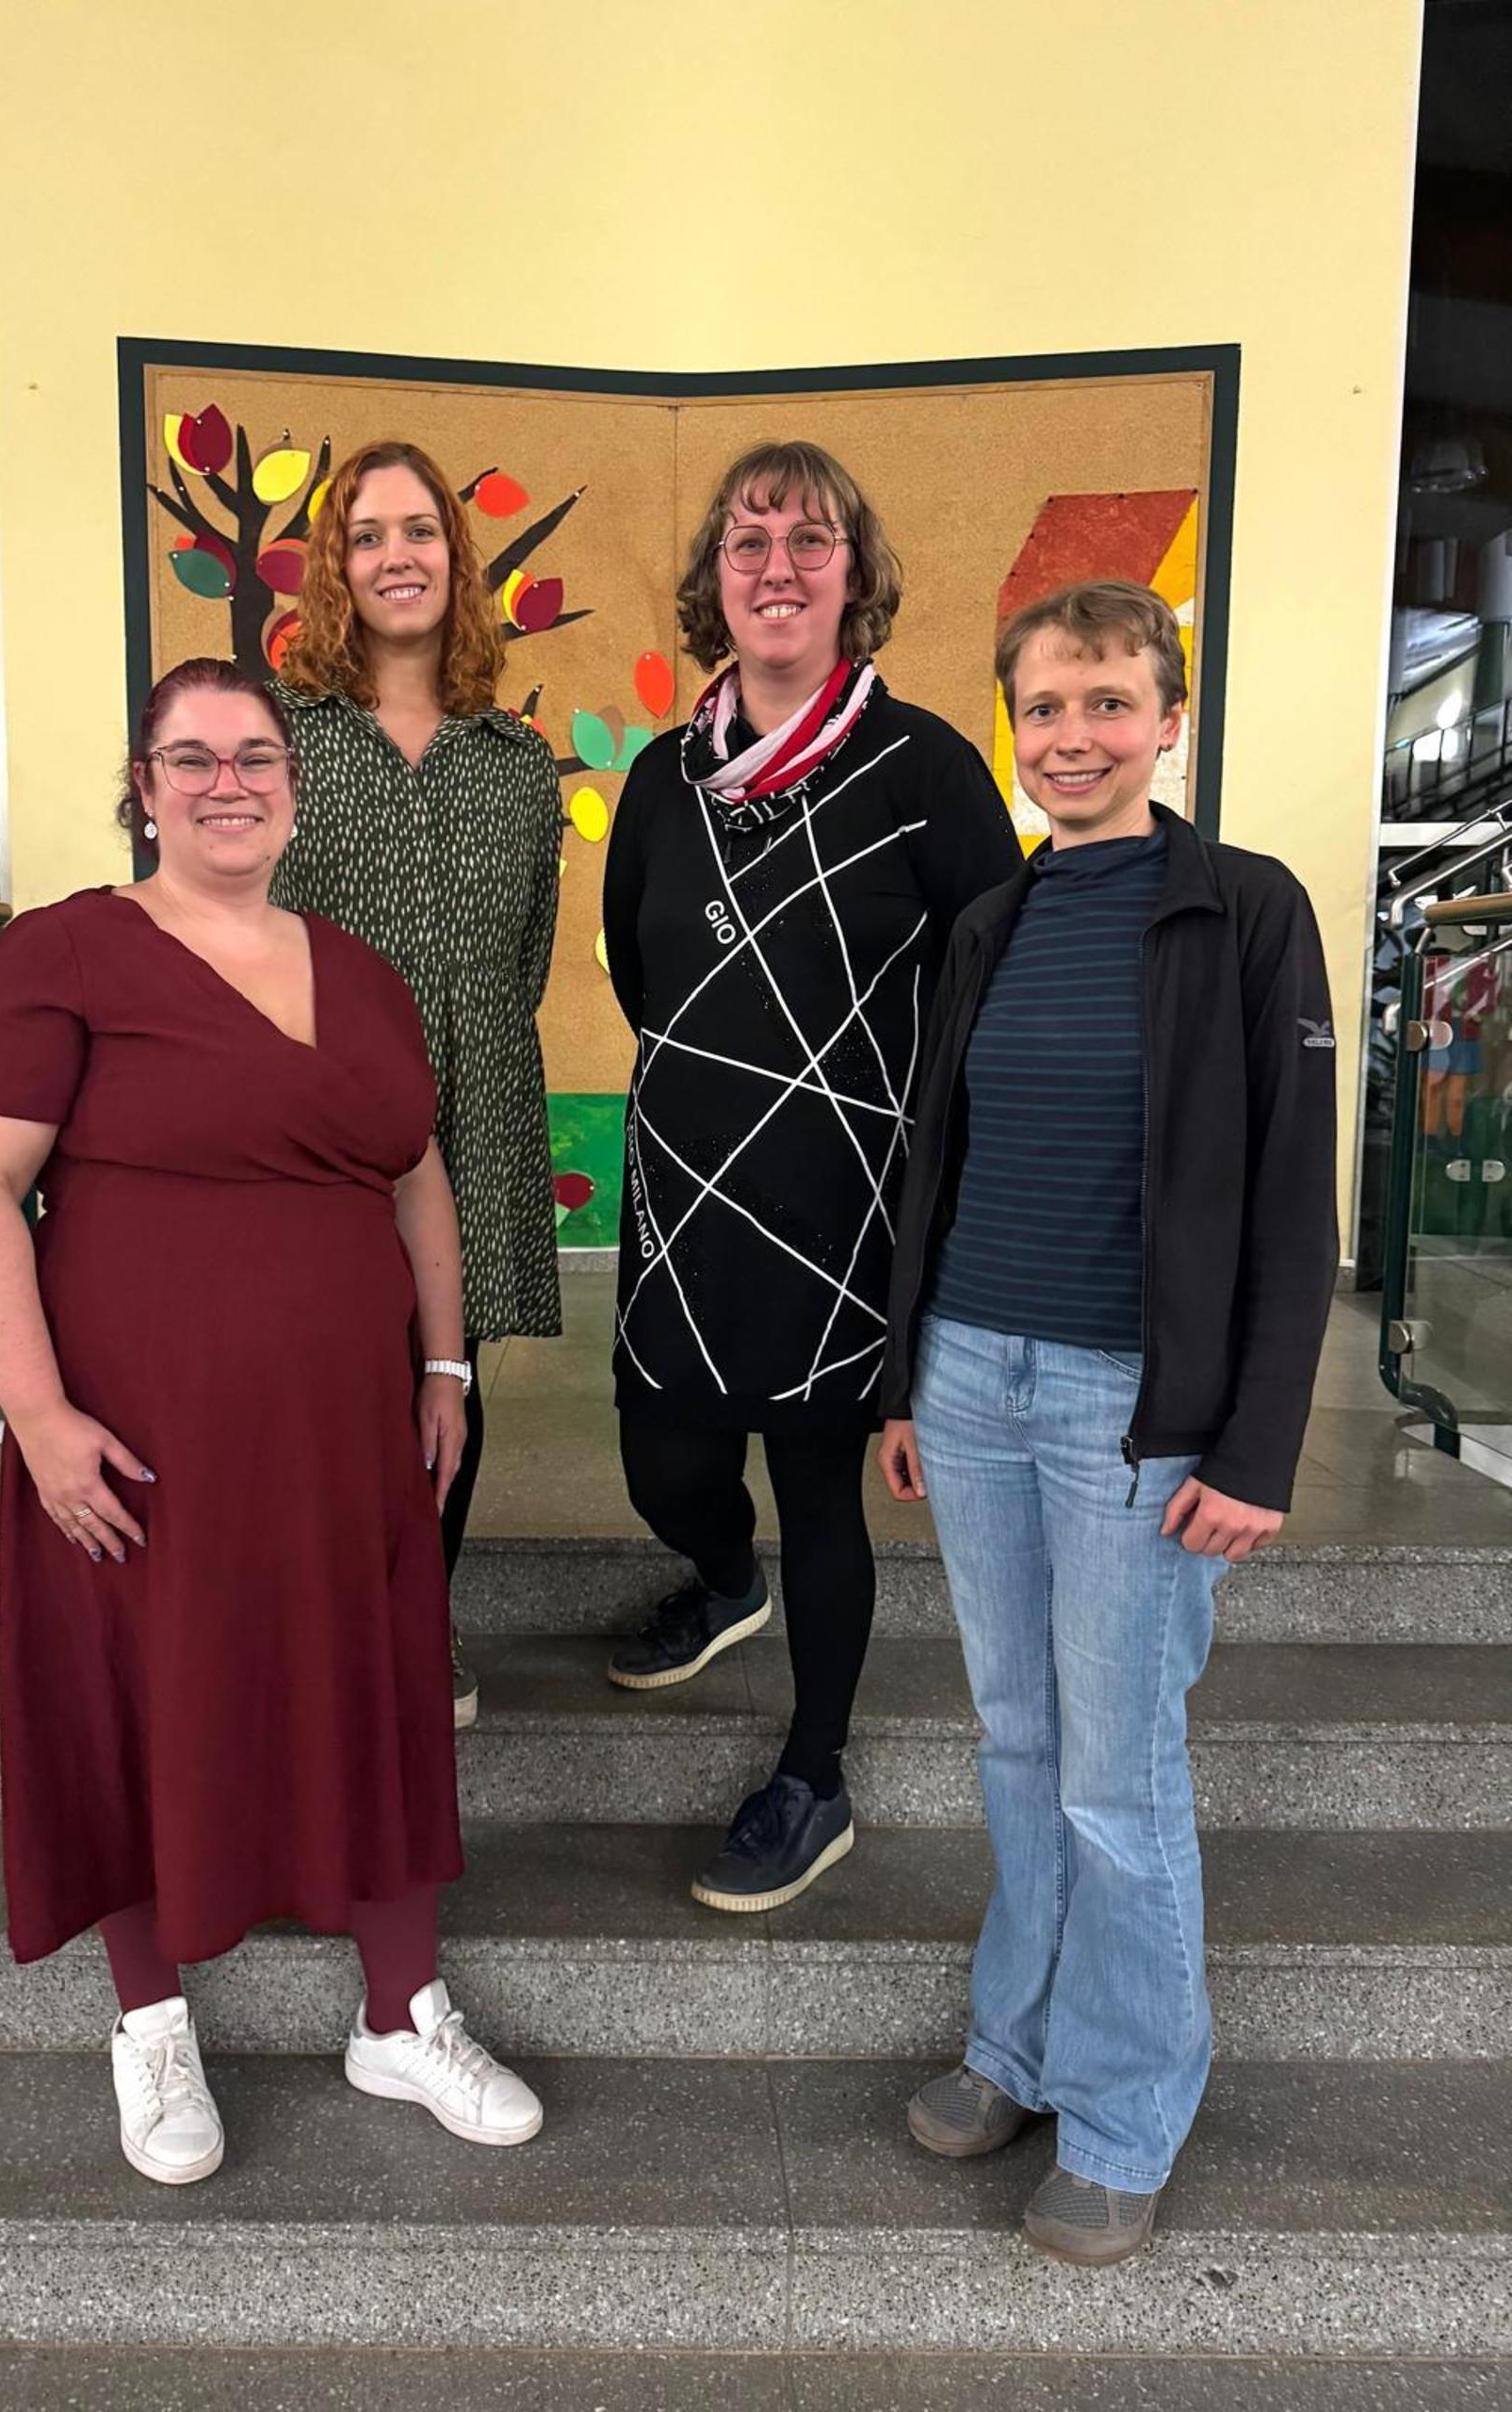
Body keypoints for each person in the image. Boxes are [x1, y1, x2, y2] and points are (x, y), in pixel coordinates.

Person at [0, 658, 542, 2188]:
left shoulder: (363, 969)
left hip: (350, 1438)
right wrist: (40, 1416)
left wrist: (447, 1367)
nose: (227, 782)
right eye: (188, 757)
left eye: (254, 755)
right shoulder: (64, 954)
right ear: (142, 785)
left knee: (379, 1687)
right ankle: (150, 2025)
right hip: (137, 1443)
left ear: (293, 780)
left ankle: (401, 2014)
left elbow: (415, 1178)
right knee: (144, 1694)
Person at [878, 580, 1338, 2267]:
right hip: (970, 1378)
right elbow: (941, 1163)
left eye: (1107, 705)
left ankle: (1130, 2113)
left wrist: (1255, 1448)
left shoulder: (1246, 911)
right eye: (1045, 711)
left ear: (1169, 720)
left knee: (1117, 1778)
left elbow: (1297, 1199)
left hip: (1132, 1411)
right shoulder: (991, 921)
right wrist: (902, 1380)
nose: (1072, 738)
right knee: (1013, 1737)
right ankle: (1022, 2044)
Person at [601, 439, 1022, 1912]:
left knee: (818, 1493)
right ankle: (724, 1581)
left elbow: (989, 987)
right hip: (683, 1200)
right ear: (715, 582)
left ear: (859, 575)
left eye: (811, 540)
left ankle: (816, 1775)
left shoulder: (928, 773)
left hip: (845, 1215)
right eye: (749, 541)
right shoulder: (664, 778)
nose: (777, 566)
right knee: (667, 1467)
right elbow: (633, 968)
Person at [270, 440, 565, 1731]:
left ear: (459, 558)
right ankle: (316, 1644)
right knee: (331, 1394)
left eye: (422, 531)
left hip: (480, 1105)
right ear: (338, 567)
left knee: (447, 1387)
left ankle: (417, 1632)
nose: (399, 555)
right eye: (370, 534)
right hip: (321, 1132)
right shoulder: (281, 742)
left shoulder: (513, 763)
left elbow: (530, 951)